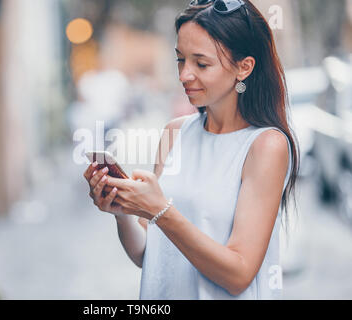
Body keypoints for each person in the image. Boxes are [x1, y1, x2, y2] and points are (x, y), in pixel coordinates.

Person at [83, 0, 299, 299]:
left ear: (244, 67)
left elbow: (239, 274)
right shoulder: (175, 133)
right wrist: (123, 213)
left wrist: (159, 211)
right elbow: (150, 256)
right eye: (180, 60)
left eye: (201, 63)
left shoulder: (265, 146)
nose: (184, 75)